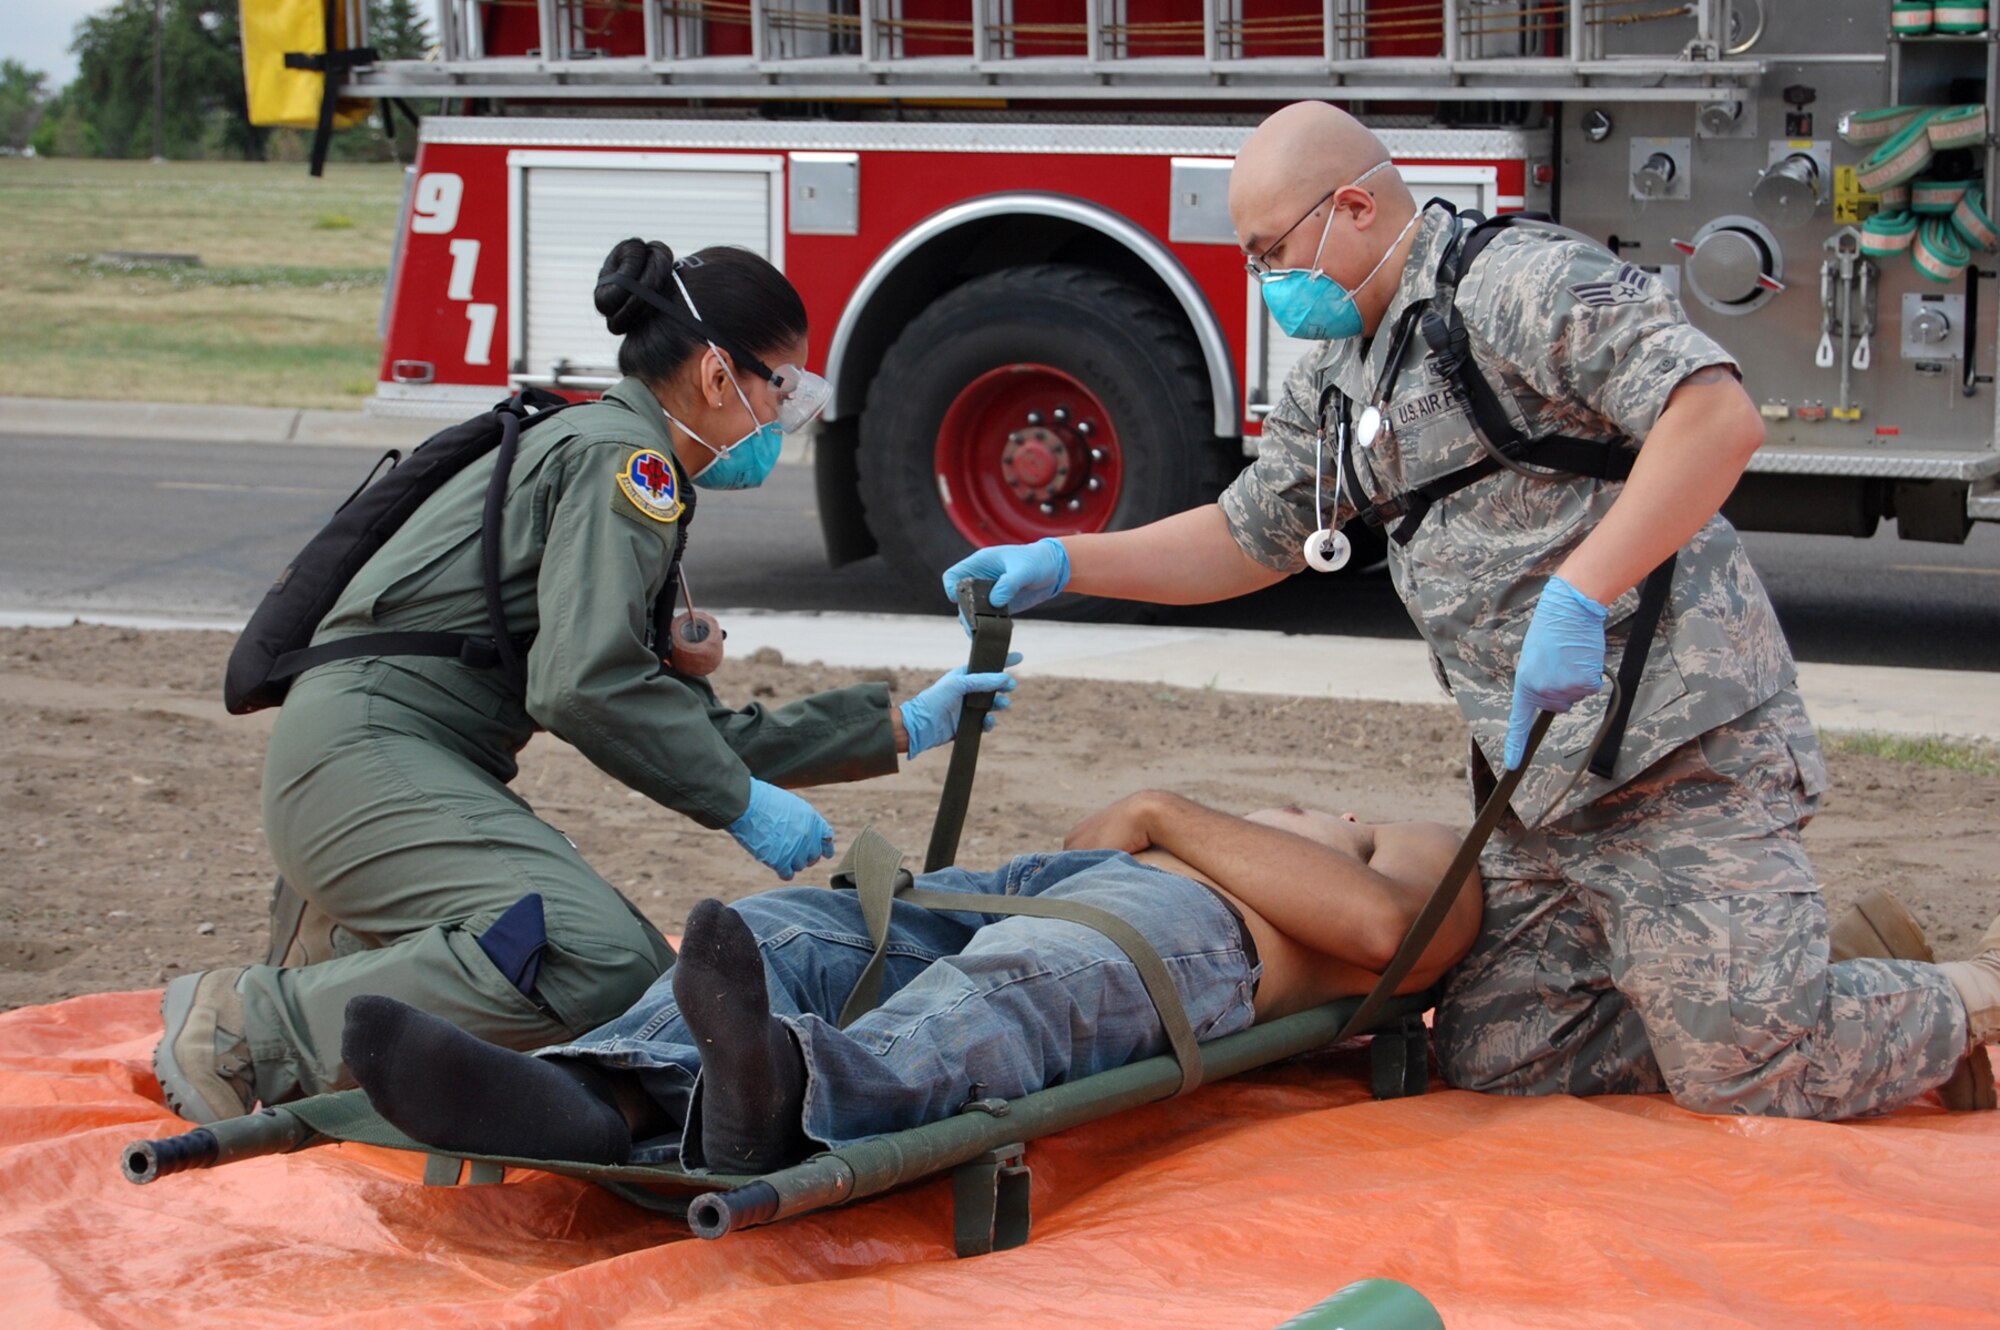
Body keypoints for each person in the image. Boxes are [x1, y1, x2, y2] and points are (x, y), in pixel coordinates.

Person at [940, 101, 2000, 1119]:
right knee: (1498, 1054)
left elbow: (1714, 417)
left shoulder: (1517, 284)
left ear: (1353, 208)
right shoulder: (1341, 375)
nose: (1265, 278)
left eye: (1271, 248)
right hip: (1540, 787)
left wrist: (1582, 591)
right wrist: (1062, 557)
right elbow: (1246, 536)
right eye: (1251, 257)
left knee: (1748, 1075)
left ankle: (1953, 996)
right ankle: (1764, 980)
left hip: (1675, 750)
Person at [154, 238, 1019, 1126]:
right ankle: (248, 1023)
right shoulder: (626, 466)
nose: (785, 416)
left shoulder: (610, 451)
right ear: (719, 376)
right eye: (783, 387)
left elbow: (671, 717)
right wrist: (737, 803)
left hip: (376, 764)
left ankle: (335, 958)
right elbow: (582, 685)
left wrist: (902, 725)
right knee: (597, 963)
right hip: (367, 761)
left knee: (641, 988)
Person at [337, 794, 1477, 1171]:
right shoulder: (1295, 823)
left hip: (1185, 930)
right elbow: (1095, 838)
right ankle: (601, 1093)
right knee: (791, 930)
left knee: (1014, 987)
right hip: (1048, 880)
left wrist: (1163, 811)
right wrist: (1129, 827)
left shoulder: (1435, 844)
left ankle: (787, 1090)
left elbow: (1388, 928)